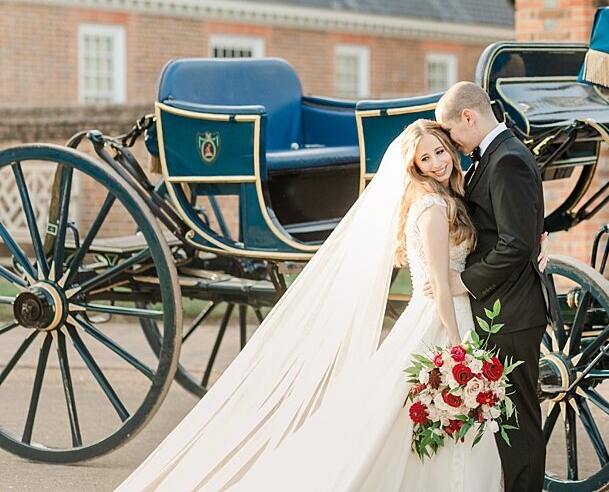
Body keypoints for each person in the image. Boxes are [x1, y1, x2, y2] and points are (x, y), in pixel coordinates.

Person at [115, 120, 548, 491]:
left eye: (440, 152)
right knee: (408, 419)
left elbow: (498, 234)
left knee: (420, 419)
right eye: (426, 159)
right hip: (443, 322)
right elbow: (438, 282)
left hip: (455, 316)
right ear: (413, 168)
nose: (438, 162)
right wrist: (457, 348)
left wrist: (533, 242)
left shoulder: (449, 196)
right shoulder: (432, 207)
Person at [435, 82, 550, 492]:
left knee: (518, 420)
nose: (451, 145)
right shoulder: (501, 156)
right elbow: (521, 224)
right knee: (508, 415)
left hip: (513, 312)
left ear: (469, 117)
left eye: (450, 134)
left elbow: (515, 243)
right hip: (505, 306)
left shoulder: (506, 161)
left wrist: (463, 282)